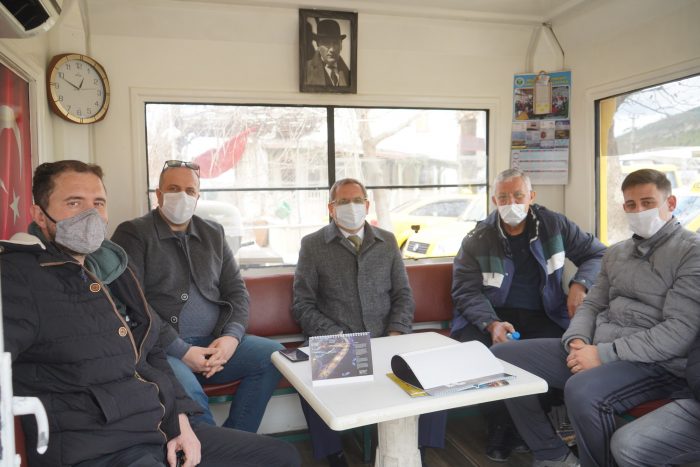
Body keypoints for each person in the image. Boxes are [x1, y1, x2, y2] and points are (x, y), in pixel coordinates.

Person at [1, 160, 300, 467]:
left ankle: (226, 436)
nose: (90, 214)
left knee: (282, 444)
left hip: (158, 411)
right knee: (189, 391)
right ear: (40, 214)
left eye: (98, 203)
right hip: (107, 434)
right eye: (74, 202)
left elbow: (151, 334)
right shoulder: (20, 276)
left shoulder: (111, 266)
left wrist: (231, 338)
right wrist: (183, 351)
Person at [491, 168, 700, 467]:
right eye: (631, 205)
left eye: (647, 203)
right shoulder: (616, 253)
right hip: (596, 349)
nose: (639, 211)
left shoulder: (691, 252)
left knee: (581, 389)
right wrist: (577, 340)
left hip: (656, 364)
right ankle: (552, 454)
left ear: (671, 203)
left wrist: (603, 355)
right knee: (502, 358)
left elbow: (678, 332)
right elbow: (591, 305)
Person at [112, 160, 283, 433]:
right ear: (158, 194)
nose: (182, 196)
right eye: (173, 189)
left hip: (214, 342)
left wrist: (231, 338)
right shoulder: (134, 233)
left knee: (273, 356)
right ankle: (213, 450)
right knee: (192, 400)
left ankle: (237, 442)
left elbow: (237, 292)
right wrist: (182, 351)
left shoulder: (213, 232)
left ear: (198, 197)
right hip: (163, 350)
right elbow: (134, 303)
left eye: (190, 190)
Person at [451, 167, 606, 461]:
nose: (511, 203)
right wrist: (491, 324)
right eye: (503, 197)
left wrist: (580, 284)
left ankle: (539, 421)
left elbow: (597, 253)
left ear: (531, 196)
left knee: (560, 351)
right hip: (490, 314)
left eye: (518, 196)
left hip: (544, 312)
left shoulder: (554, 225)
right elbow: (465, 291)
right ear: (494, 201)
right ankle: (500, 425)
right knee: (480, 355)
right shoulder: (478, 237)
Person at [293, 178, 446, 467]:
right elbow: (303, 304)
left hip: (388, 336)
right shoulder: (312, 245)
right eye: (342, 202)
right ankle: (334, 454)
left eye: (356, 201)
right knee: (311, 382)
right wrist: (338, 336)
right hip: (338, 340)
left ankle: (418, 447)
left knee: (433, 377)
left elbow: (403, 295)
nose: (350, 207)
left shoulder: (386, 241)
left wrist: (396, 332)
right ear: (331, 208)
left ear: (366, 205)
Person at [611, 327, 700, 466]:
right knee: (628, 445)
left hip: (657, 361)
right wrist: (579, 339)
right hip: (696, 399)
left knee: (585, 392)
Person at [304, 19, 350, 87]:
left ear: (341, 45)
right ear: (318, 44)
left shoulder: (350, 74)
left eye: (335, 43)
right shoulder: (305, 71)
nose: (332, 49)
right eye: (326, 42)